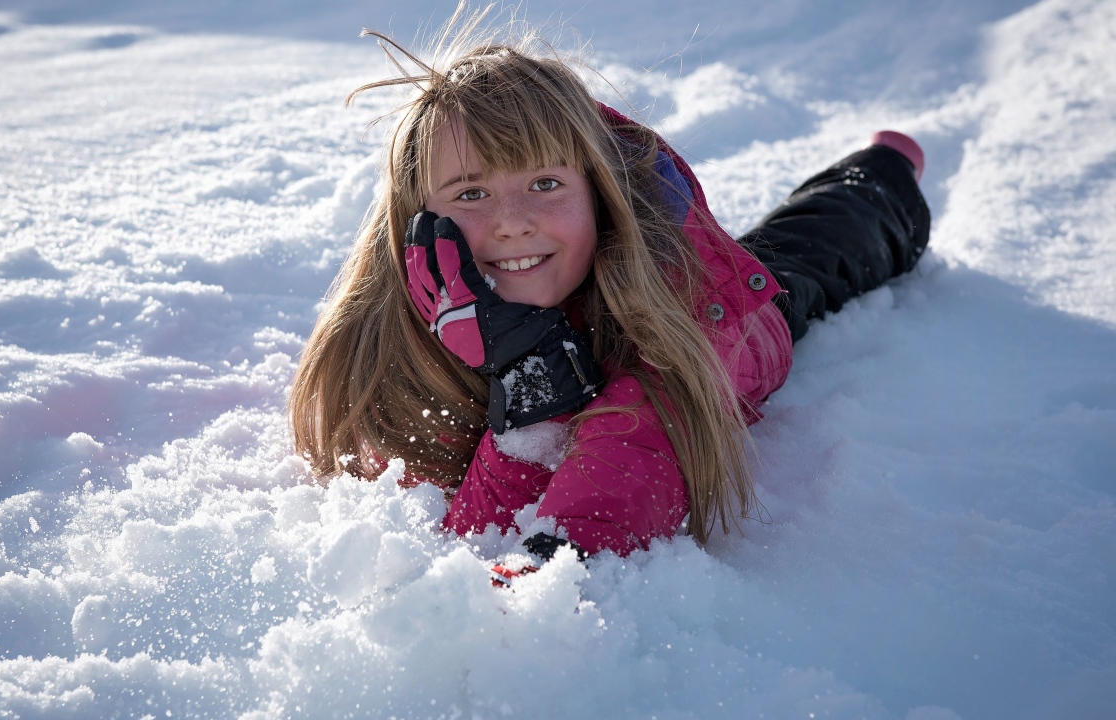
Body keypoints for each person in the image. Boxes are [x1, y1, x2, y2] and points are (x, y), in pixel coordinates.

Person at [289, 17, 929, 568]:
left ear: (598, 195)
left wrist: (536, 410)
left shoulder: (673, 322)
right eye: (472, 193)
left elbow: (620, 473)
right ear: (418, 224)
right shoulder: (392, 325)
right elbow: (445, 525)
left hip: (727, 325)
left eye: (544, 184)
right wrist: (530, 390)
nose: (514, 221)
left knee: (814, 252)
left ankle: (885, 172)